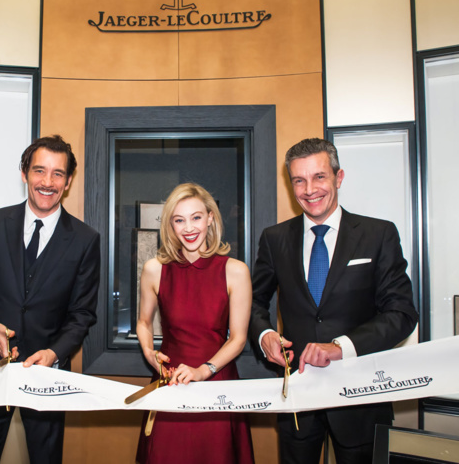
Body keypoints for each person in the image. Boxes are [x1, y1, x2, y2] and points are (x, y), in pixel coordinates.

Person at [250, 138, 418, 464]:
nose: (309, 189)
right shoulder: (274, 239)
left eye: (319, 177)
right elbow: (255, 302)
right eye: (299, 180)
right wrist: (264, 334)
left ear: (338, 178)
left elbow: (402, 313)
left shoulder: (378, 234)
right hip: (297, 400)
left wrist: (341, 347)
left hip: (361, 400)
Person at [0, 134, 100, 464]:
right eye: (39, 171)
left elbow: (82, 313)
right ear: (24, 173)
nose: (47, 182)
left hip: (48, 372)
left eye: (57, 174)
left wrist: (54, 353)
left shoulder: (85, 239)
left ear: (67, 182)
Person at [136, 183, 254, 464]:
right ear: (170, 225)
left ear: (210, 218)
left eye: (196, 217)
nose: (189, 228)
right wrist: (150, 354)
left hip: (217, 383)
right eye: (179, 220)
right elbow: (143, 322)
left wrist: (204, 370)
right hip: (169, 382)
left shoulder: (235, 271)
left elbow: (237, 338)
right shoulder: (154, 269)